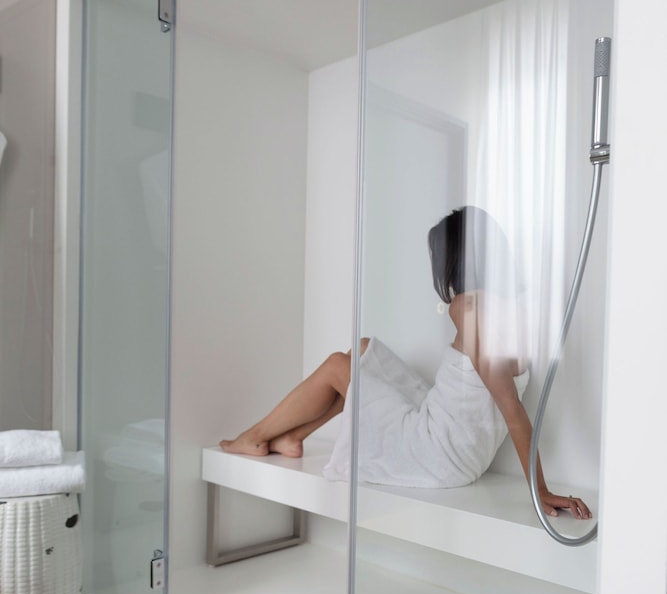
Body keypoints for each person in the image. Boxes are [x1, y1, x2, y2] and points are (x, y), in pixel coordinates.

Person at [220, 206, 591, 520]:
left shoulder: (469, 308)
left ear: (454, 260)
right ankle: (291, 437)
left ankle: (253, 437)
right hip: (450, 439)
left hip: (437, 453)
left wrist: (540, 490)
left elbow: (512, 410)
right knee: (362, 351)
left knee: (338, 366)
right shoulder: (513, 310)